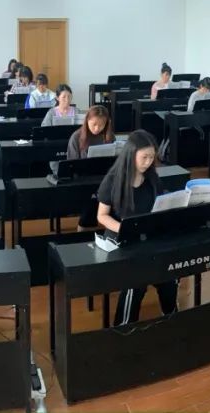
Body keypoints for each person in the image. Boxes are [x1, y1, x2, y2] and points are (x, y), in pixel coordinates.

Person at [95, 130, 175, 326]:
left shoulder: (152, 178)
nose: (148, 162)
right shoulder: (113, 179)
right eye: (144, 157)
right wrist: (124, 228)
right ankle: (124, 326)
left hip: (146, 236)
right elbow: (102, 216)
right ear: (131, 154)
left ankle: (172, 316)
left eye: (151, 157)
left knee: (168, 274)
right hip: (120, 238)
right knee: (137, 278)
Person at [67, 106, 116, 230]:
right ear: (87, 120)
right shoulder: (76, 137)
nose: (97, 128)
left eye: (101, 125)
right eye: (94, 124)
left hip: (104, 178)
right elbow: (71, 165)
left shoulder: (109, 136)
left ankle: (114, 229)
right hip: (84, 180)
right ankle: (85, 228)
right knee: (91, 201)